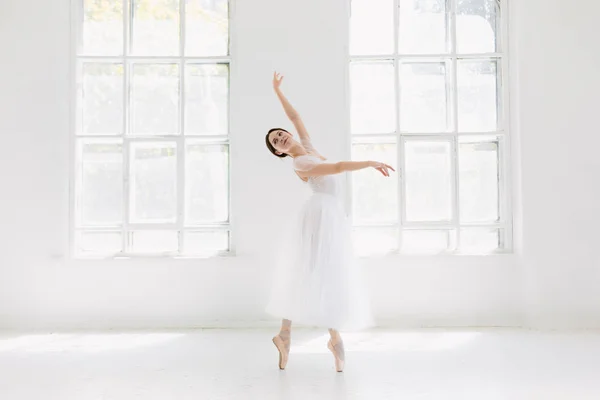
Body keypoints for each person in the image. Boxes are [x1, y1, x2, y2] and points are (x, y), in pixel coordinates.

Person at [264, 72, 394, 372]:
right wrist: (370, 162)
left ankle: (298, 336)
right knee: (314, 271)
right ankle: (310, 336)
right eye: (276, 142)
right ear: (279, 153)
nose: (281, 137)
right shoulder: (301, 162)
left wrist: (277, 91)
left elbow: (295, 116)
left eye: (280, 134)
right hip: (318, 217)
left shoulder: (306, 146)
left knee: (328, 271)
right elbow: (336, 167)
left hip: (331, 215)